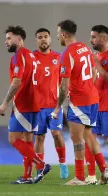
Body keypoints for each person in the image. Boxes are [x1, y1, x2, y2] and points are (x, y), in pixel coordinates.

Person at [52, 19, 108, 185]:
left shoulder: (67, 54)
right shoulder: (85, 47)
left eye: (58, 34)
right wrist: (87, 88)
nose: (58, 38)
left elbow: (64, 86)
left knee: (77, 139)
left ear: (64, 34)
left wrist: (57, 107)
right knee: (89, 135)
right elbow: (93, 72)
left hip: (79, 101)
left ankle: (79, 177)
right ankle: (104, 170)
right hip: (92, 98)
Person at [0, 25, 50, 184]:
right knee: (27, 141)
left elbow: (16, 81)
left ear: (19, 39)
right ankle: (27, 176)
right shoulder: (31, 55)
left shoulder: (19, 55)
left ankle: (41, 165)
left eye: (9, 38)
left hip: (23, 103)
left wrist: (5, 103)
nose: (6, 42)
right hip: (35, 103)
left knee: (14, 139)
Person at [30, 28, 68, 179]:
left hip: (54, 105)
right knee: (39, 137)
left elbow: (64, 80)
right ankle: (40, 167)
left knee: (56, 134)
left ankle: (63, 163)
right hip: (36, 106)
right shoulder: (31, 58)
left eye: (46, 37)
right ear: (36, 40)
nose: (43, 39)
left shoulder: (59, 57)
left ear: (51, 39)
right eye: (40, 37)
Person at [84, 25, 108, 185]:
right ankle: (92, 176)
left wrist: (97, 64)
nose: (91, 40)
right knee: (89, 138)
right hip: (95, 104)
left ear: (103, 38)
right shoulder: (95, 56)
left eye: (94, 37)